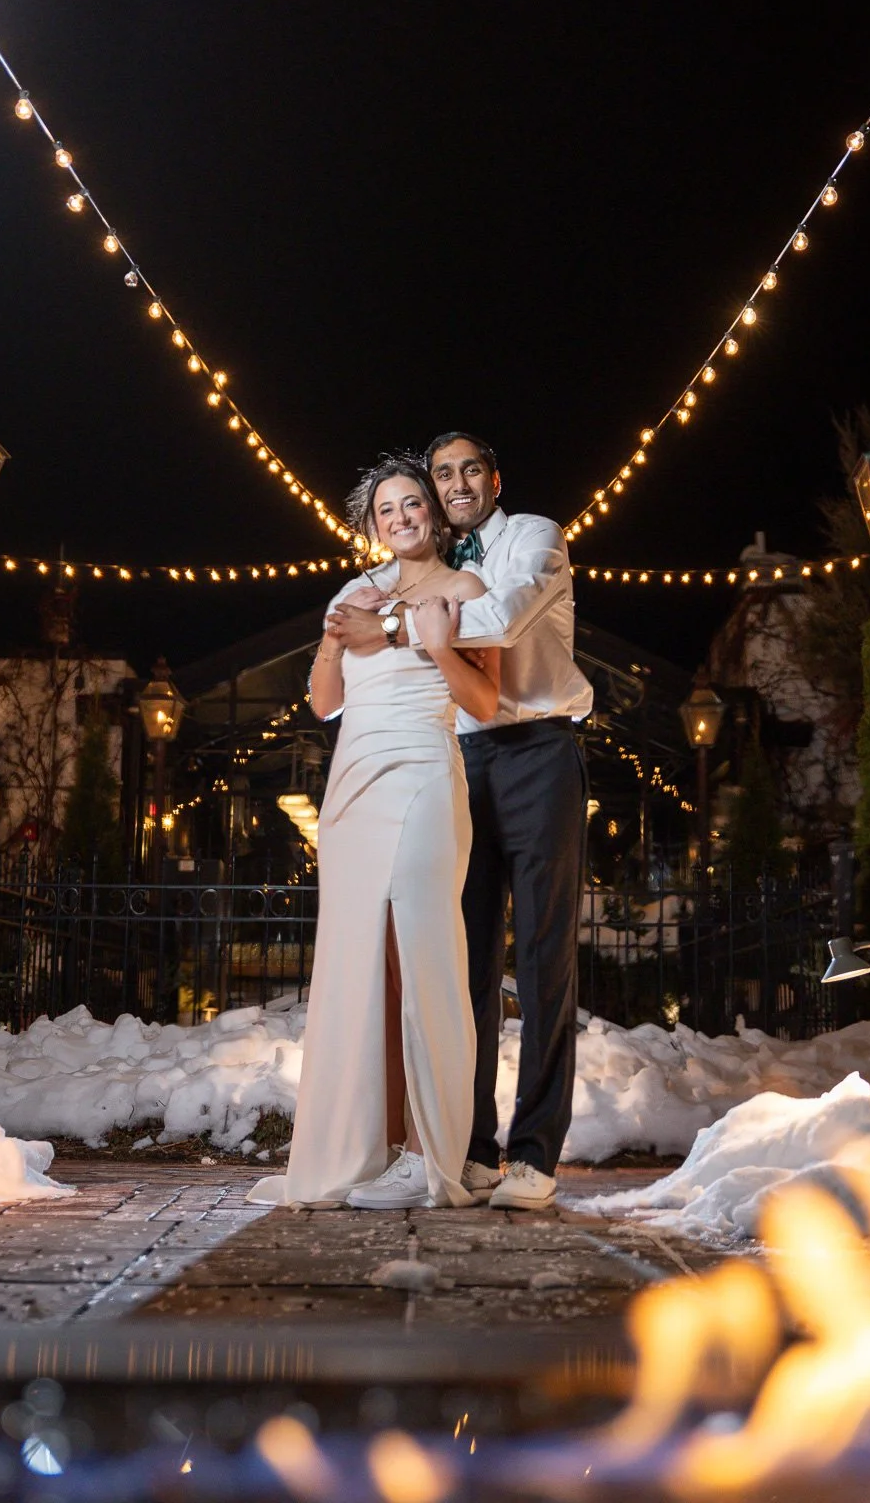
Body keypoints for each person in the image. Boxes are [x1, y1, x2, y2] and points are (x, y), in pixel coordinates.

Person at [326, 433, 592, 1210]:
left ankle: (534, 1157)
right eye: (441, 473)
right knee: (462, 965)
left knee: (544, 962)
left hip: (540, 751)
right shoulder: (425, 567)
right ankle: (468, 1150)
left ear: (494, 478)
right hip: (459, 759)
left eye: (468, 468)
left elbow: (504, 618)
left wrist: (401, 631)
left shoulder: (534, 537)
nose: (455, 482)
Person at [248, 454, 500, 1211]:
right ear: (370, 526)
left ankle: (430, 1156)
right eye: (386, 510)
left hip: (425, 767)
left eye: (411, 504)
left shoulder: (465, 589)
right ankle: (366, 1146)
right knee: (362, 966)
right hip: (352, 786)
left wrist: (418, 637)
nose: (401, 518)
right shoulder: (351, 593)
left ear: (433, 512)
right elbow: (323, 702)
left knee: (423, 951)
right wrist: (334, 639)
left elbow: (484, 701)